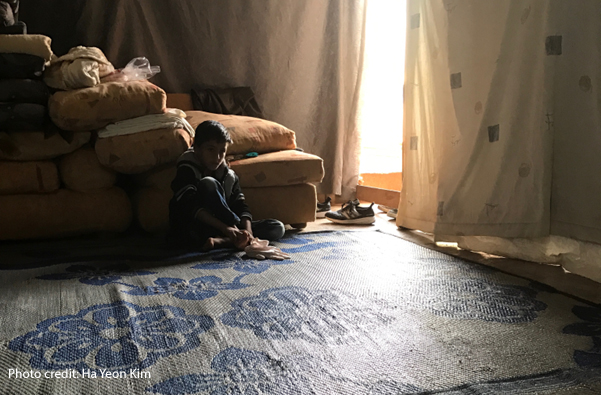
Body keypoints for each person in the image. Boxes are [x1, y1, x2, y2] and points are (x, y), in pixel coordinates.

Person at [168, 120, 285, 251]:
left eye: (222, 151)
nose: (217, 157)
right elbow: (189, 206)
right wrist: (229, 228)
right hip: (196, 225)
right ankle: (232, 238)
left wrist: (248, 232)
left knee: (277, 227)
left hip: (225, 228)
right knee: (208, 183)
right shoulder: (187, 168)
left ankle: (224, 241)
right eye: (210, 149)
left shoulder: (229, 175)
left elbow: (240, 205)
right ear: (196, 148)